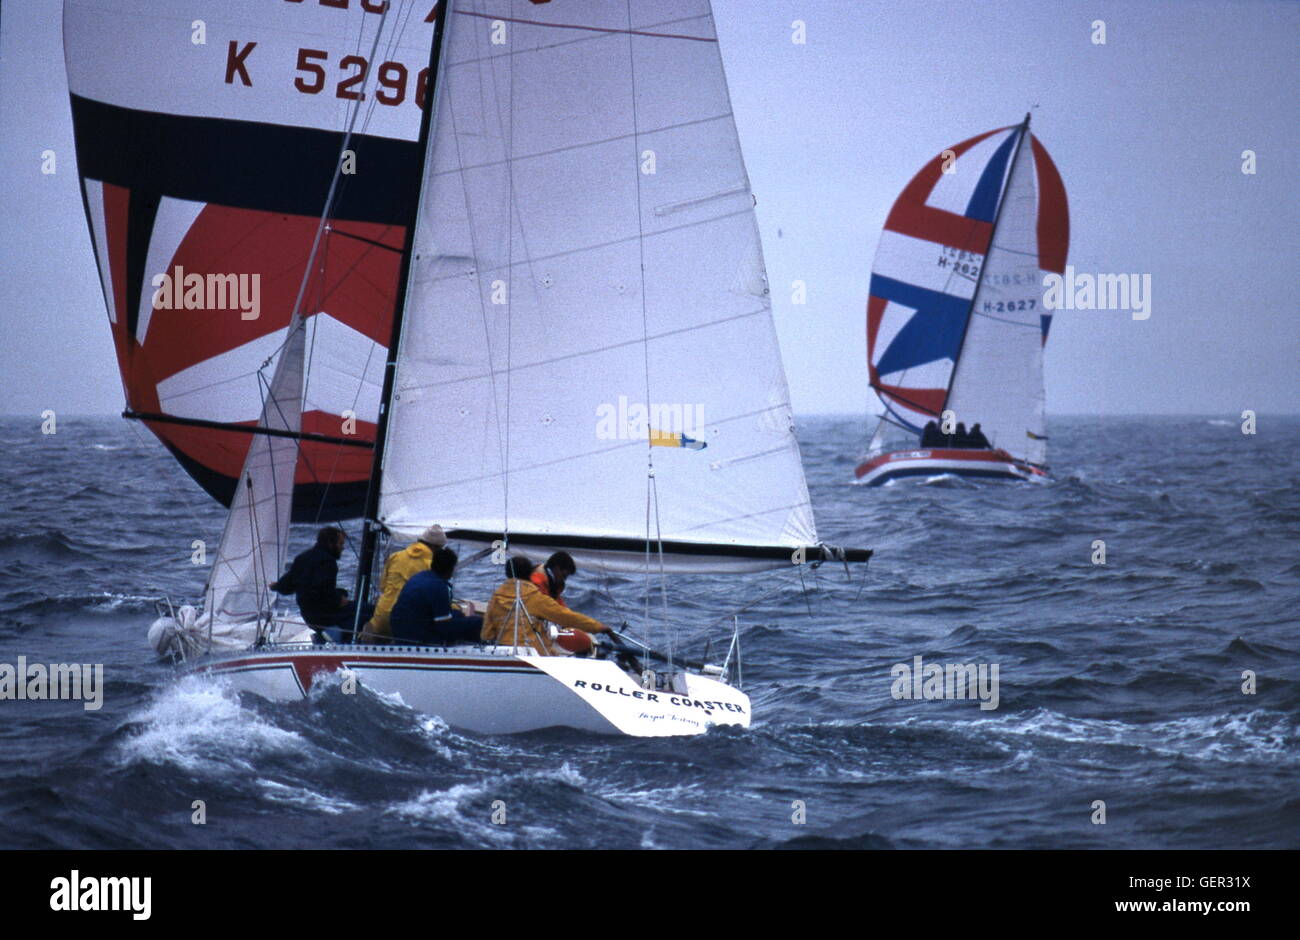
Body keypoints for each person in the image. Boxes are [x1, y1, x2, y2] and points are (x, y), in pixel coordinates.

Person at [481, 556, 608, 655]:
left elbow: (487, 633)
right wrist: (597, 626)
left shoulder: (496, 598)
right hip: (532, 652)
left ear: (507, 573)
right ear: (529, 574)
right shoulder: (535, 598)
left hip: (503, 650)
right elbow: (565, 616)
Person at [357, 525, 448, 645]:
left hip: (381, 618)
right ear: (436, 548)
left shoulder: (395, 556)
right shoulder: (432, 565)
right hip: (404, 622)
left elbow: (383, 586)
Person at [271, 526, 355, 643]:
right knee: (366, 612)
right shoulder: (328, 562)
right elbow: (322, 592)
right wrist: (339, 598)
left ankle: (323, 637)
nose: (342, 548)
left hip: (308, 615)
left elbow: (287, 586)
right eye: (340, 544)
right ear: (331, 543)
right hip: (324, 615)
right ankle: (337, 636)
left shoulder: (302, 558)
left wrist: (276, 586)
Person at [389, 547, 482, 646]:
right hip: (417, 636)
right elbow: (445, 627)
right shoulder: (439, 587)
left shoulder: (419, 576)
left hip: (399, 629)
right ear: (450, 569)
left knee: (457, 614)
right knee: (477, 622)